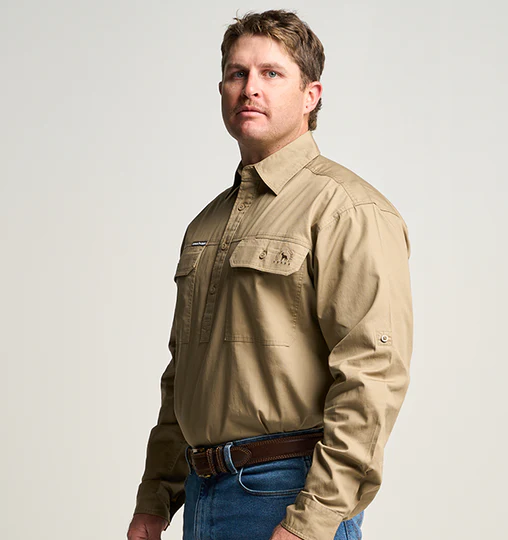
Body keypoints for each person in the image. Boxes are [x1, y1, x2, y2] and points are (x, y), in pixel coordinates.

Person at [127, 9, 413, 540]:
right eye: (237, 73)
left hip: (286, 495)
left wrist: (313, 520)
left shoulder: (347, 210)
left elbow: (372, 375)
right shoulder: (206, 223)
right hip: (202, 494)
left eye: (271, 73)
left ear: (311, 95)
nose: (249, 88)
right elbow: (183, 374)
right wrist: (155, 495)